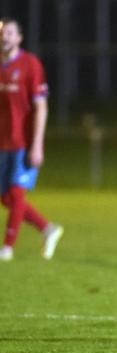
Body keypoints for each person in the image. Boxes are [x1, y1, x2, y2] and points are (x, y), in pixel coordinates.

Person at [0, 17, 63, 262]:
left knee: (16, 194)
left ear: (19, 38)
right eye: (2, 32)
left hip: (22, 142)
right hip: (2, 142)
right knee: (5, 197)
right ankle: (48, 229)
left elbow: (41, 107)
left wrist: (36, 144)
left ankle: (7, 248)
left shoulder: (30, 64)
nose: (4, 36)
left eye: (10, 33)